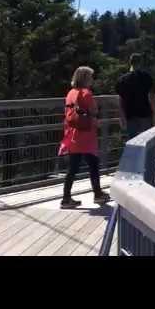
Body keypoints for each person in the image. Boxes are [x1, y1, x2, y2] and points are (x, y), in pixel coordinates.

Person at [59, 66, 111, 209]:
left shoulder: (70, 93)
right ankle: (98, 194)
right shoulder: (86, 93)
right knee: (93, 164)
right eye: (91, 77)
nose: (92, 80)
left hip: (73, 134)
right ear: (85, 78)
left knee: (73, 168)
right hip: (86, 135)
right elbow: (93, 111)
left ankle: (66, 198)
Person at [116, 53, 155, 140]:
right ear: (140, 63)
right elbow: (151, 97)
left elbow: (120, 100)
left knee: (133, 142)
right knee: (148, 140)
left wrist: (122, 116)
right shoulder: (147, 77)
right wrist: (154, 113)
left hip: (130, 115)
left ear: (130, 63)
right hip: (145, 114)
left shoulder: (123, 79)